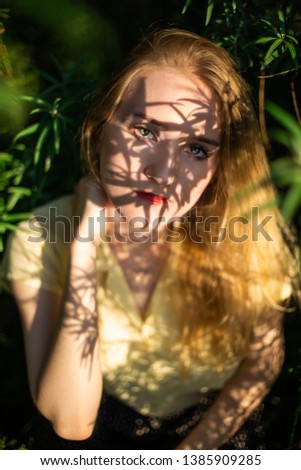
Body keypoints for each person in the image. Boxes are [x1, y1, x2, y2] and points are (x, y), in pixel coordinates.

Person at [0, 28, 299, 450]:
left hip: (215, 431)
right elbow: (71, 423)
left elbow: (263, 362)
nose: (164, 172)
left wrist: (189, 455)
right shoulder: (42, 234)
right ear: (103, 125)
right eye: (147, 131)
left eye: (196, 149)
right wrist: (83, 246)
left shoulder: (248, 228)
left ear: (220, 164)